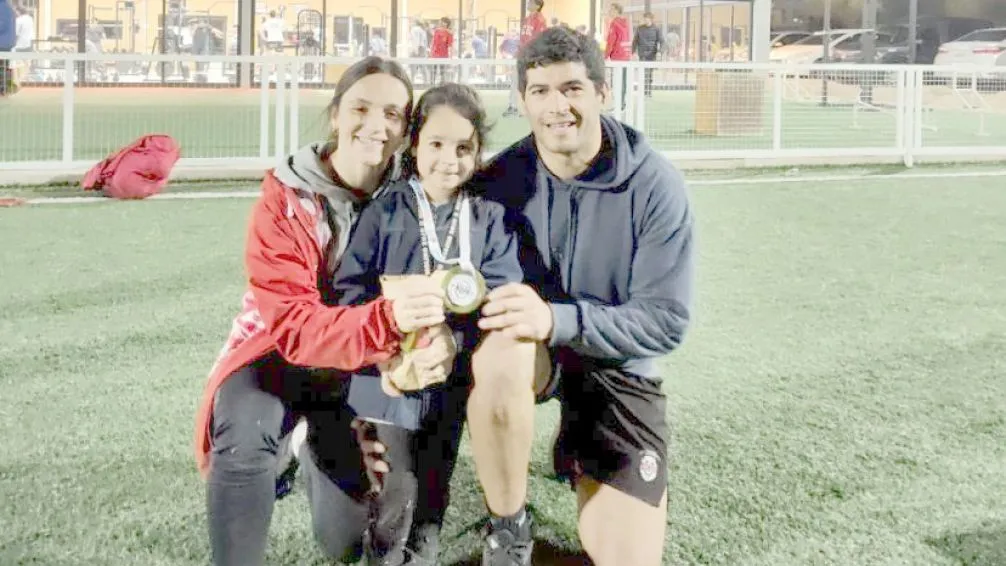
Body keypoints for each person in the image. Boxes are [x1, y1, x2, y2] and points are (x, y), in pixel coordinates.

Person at [192, 56, 457, 566]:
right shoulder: (284, 197)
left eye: (393, 114)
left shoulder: (419, 194)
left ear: (406, 131)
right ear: (336, 115)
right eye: (360, 107)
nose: (375, 125)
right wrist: (389, 319)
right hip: (279, 355)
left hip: (362, 369)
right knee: (244, 438)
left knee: (343, 542)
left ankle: (311, 445)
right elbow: (293, 327)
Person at [470, 26, 693, 565]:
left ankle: (577, 446)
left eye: (571, 88)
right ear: (522, 100)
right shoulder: (500, 179)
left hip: (616, 368)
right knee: (500, 359)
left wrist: (557, 319)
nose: (556, 106)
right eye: (540, 91)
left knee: (626, 559)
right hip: (538, 355)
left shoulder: (654, 183)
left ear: (602, 92)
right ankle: (508, 525)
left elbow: (665, 321)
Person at [331, 82, 523, 564]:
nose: (449, 160)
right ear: (414, 145)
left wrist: (456, 340)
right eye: (435, 145)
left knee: (438, 463)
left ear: (479, 152)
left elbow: (501, 293)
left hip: (450, 374)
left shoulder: (488, 216)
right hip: (386, 374)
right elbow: (349, 287)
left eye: (464, 148)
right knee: (395, 477)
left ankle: (425, 544)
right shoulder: (386, 209)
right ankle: (387, 550)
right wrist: (385, 349)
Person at [502, 0, 546, 117]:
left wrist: (533, 54)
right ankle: (514, 106)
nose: (528, 4)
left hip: (532, 56)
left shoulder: (540, 20)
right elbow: (523, 38)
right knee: (516, 79)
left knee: (530, 82)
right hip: (522, 54)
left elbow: (538, 39)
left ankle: (526, 108)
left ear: (537, 6)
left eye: (531, 3)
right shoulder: (527, 19)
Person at [604, 3, 631, 110]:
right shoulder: (626, 23)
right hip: (626, 55)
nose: (609, 12)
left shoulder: (614, 23)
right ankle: (622, 102)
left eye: (611, 9)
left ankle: (618, 103)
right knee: (623, 80)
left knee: (616, 80)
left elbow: (611, 41)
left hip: (617, 56)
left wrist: (605, 55)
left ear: (616, 10)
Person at [632, 12, 665, 97]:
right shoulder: (639, 29)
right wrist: (633, 52)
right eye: (645, 18)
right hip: (642, 55)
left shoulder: (656, 29)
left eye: (647, 18)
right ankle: (645, 92)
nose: (646, 20)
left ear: (651, 19)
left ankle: (647, 92)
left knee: (649, 74)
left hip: (652, 55)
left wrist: (660, 52)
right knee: (644, 74)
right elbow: (635, 41)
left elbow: (662, 41)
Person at [0, 0, 14, 97]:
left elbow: (2, 25)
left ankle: (3, 89)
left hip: (2, 42)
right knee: (4, 66)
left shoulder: (2, 7)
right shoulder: (7, 6)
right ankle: (5, 89)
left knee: (2, 67)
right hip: (6, 42)